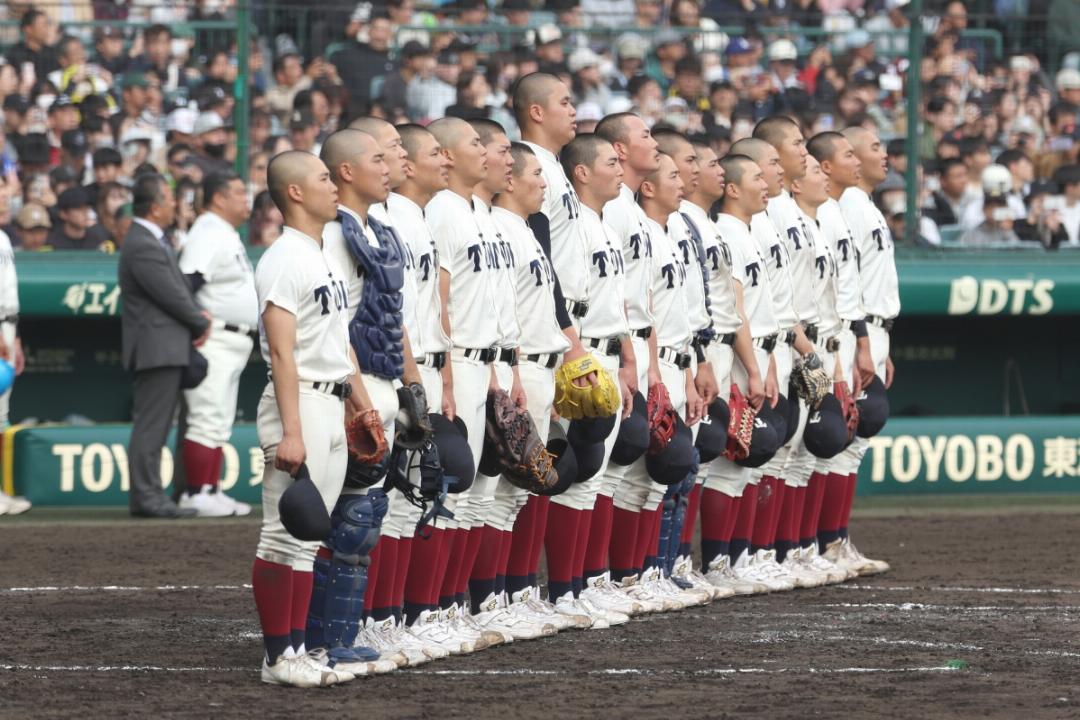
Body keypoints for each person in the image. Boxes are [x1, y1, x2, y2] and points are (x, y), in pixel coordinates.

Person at [250, 150, 377, 687]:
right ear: (296, 192)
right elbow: (282, 352)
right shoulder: (283, 257)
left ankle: (298, 650)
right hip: (298, 401)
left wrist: (361, 403)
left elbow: (339, 342)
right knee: (283, 536)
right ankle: (278, 658)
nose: (334, 186)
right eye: (324, 178)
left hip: (329, 399)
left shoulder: (321, 253)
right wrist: (292, 431)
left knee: (308, 538)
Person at [118, 173, 211, 519]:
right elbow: (170, 294)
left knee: (159, 425)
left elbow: (176, 287)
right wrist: (199, 321)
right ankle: (147, 497)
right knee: (152, 426)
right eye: (170, 199)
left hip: (165, 345)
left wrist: (196, 317)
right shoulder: (142, 242)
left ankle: (156, 494)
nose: (176, 205)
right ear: (155, 207)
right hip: (156, 347)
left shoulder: (152, 238)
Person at [176, 171, 256, 517]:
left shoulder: (223, 232)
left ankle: (211, 489)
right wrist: (197, 319)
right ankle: (195, 493)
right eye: (238, 192)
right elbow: (186, 282)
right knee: (206, 418)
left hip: (232, 339)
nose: (246, 198)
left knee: (220, 420)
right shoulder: (208, 230)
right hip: (214, 338)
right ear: (219, 198)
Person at [836, 126, 895, 575]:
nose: (881, 154)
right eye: (872, 148)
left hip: (875, 329)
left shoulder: (865, 205)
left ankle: (833, 540)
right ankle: (824, 542)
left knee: (853, 444)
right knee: (842, 440)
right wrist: (862, 338)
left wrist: (880, 344)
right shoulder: (850, 206)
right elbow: (847, 280)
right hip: (859, 328)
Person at [0, 219, 30, 515]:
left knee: (1, 416)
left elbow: (8, 295)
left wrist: (15, 337)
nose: (5, 200)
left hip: (8, 327)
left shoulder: (4, 238)